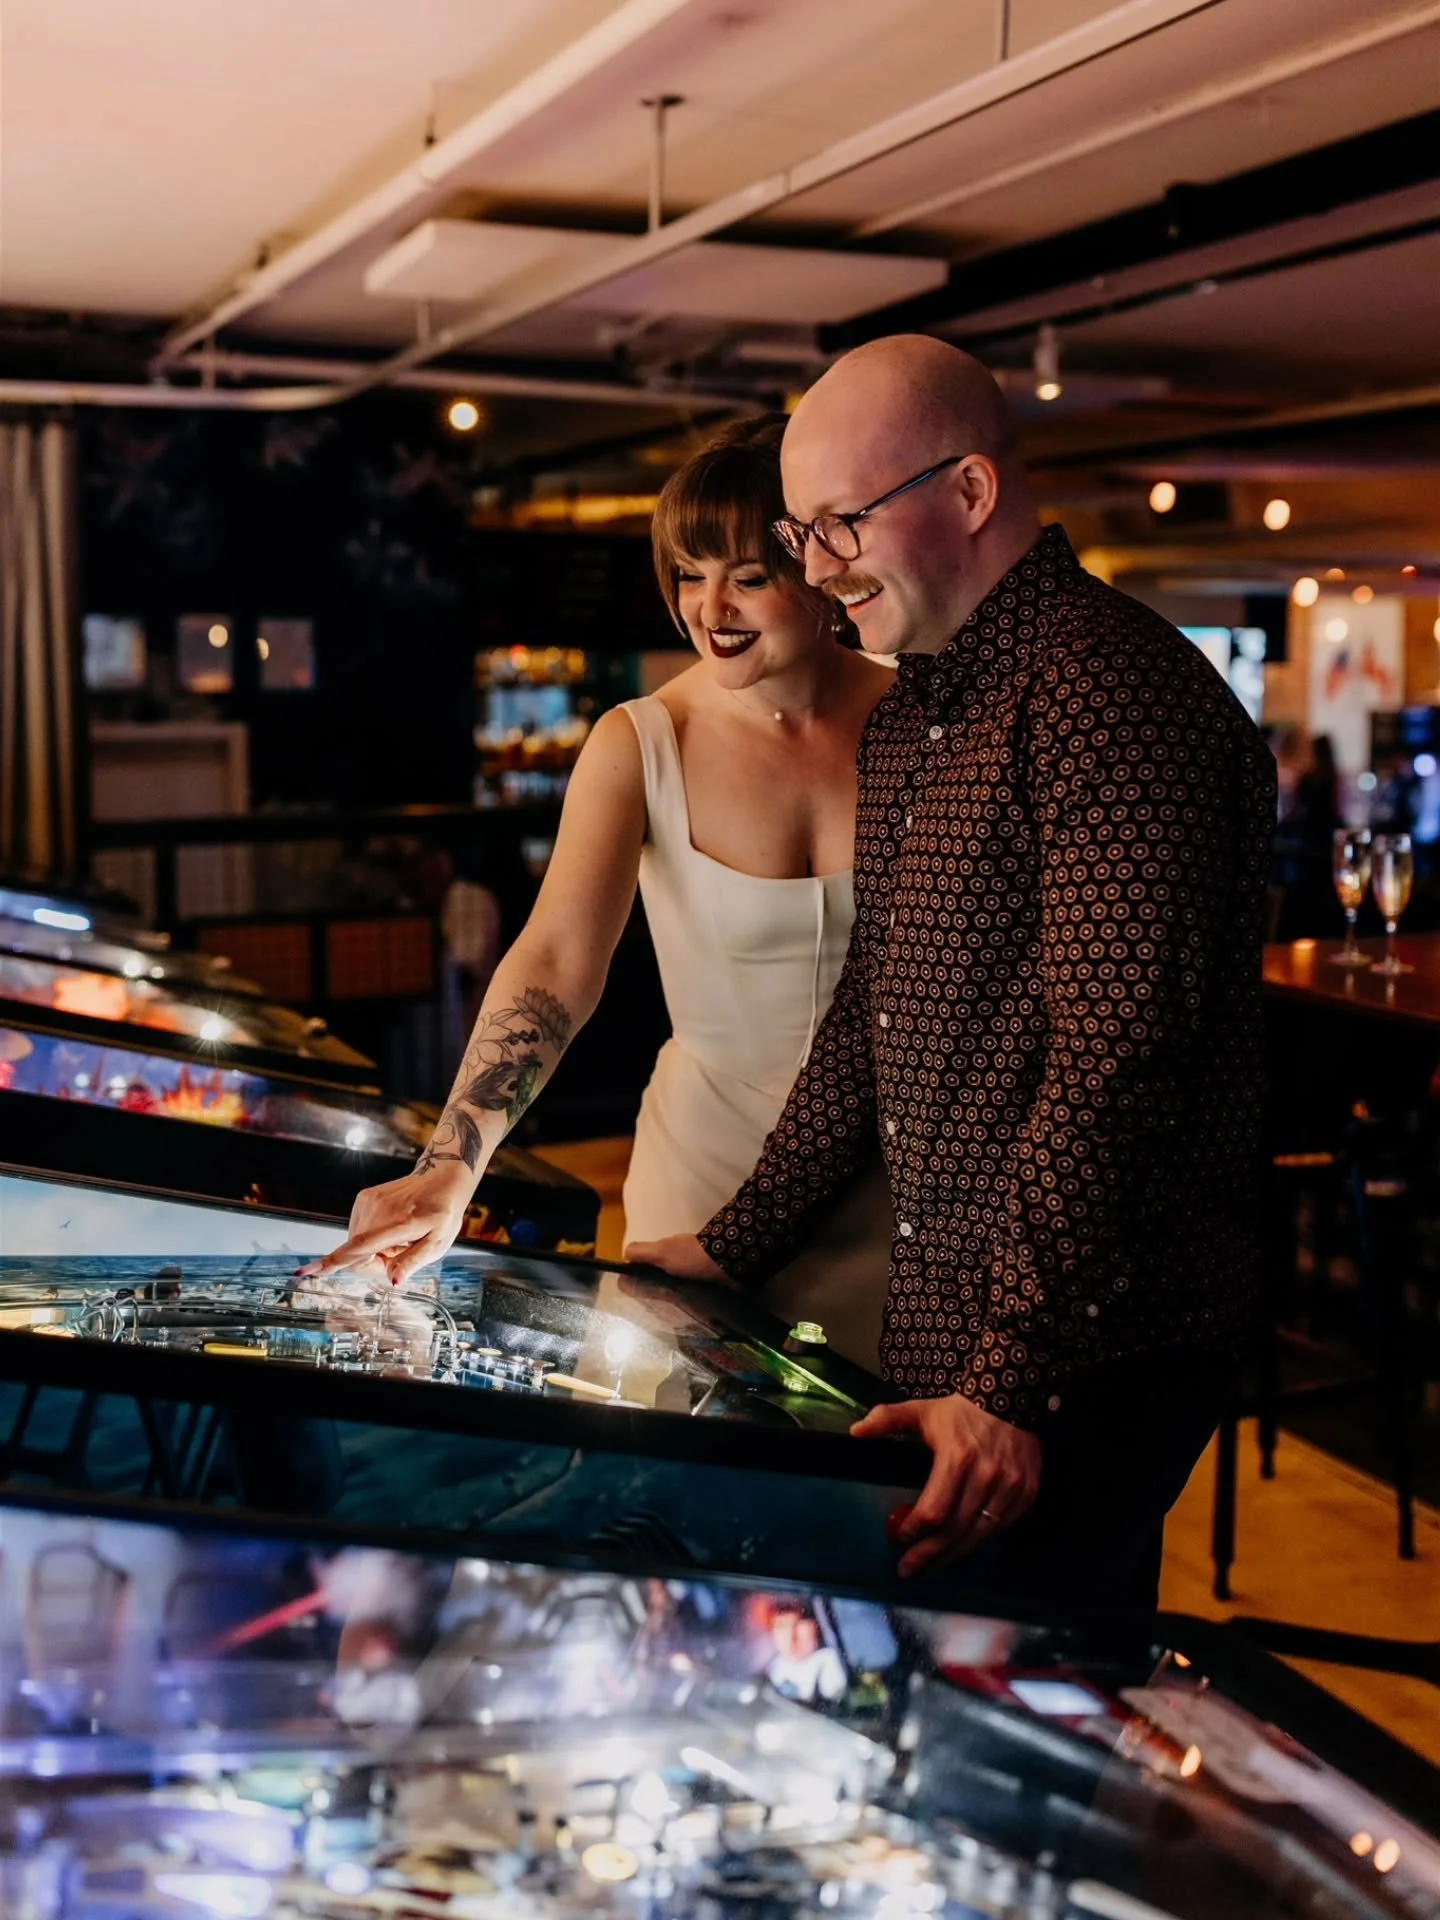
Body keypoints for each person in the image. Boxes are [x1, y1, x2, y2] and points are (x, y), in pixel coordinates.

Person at [630, 336, 1277, 1613]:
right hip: (960, 1327)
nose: (817, 569)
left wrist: (1009, 1380)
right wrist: (736, 1241)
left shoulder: (1113, 695)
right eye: (802, 535)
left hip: (1089, 1354)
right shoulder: (921, 710)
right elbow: (875, 1018)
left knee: (1043, 1696)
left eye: (838, 525)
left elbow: (1117, 1063)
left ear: (970, 493)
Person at [304, 416, 894, 1367]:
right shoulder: (641, 741)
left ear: (819, 568)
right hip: (708, 1171)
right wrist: (453, 1161)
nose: (711, 610)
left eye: (747, 575)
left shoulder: (926, 718)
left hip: (902, 1186)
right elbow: (555, 960)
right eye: (687, 576)